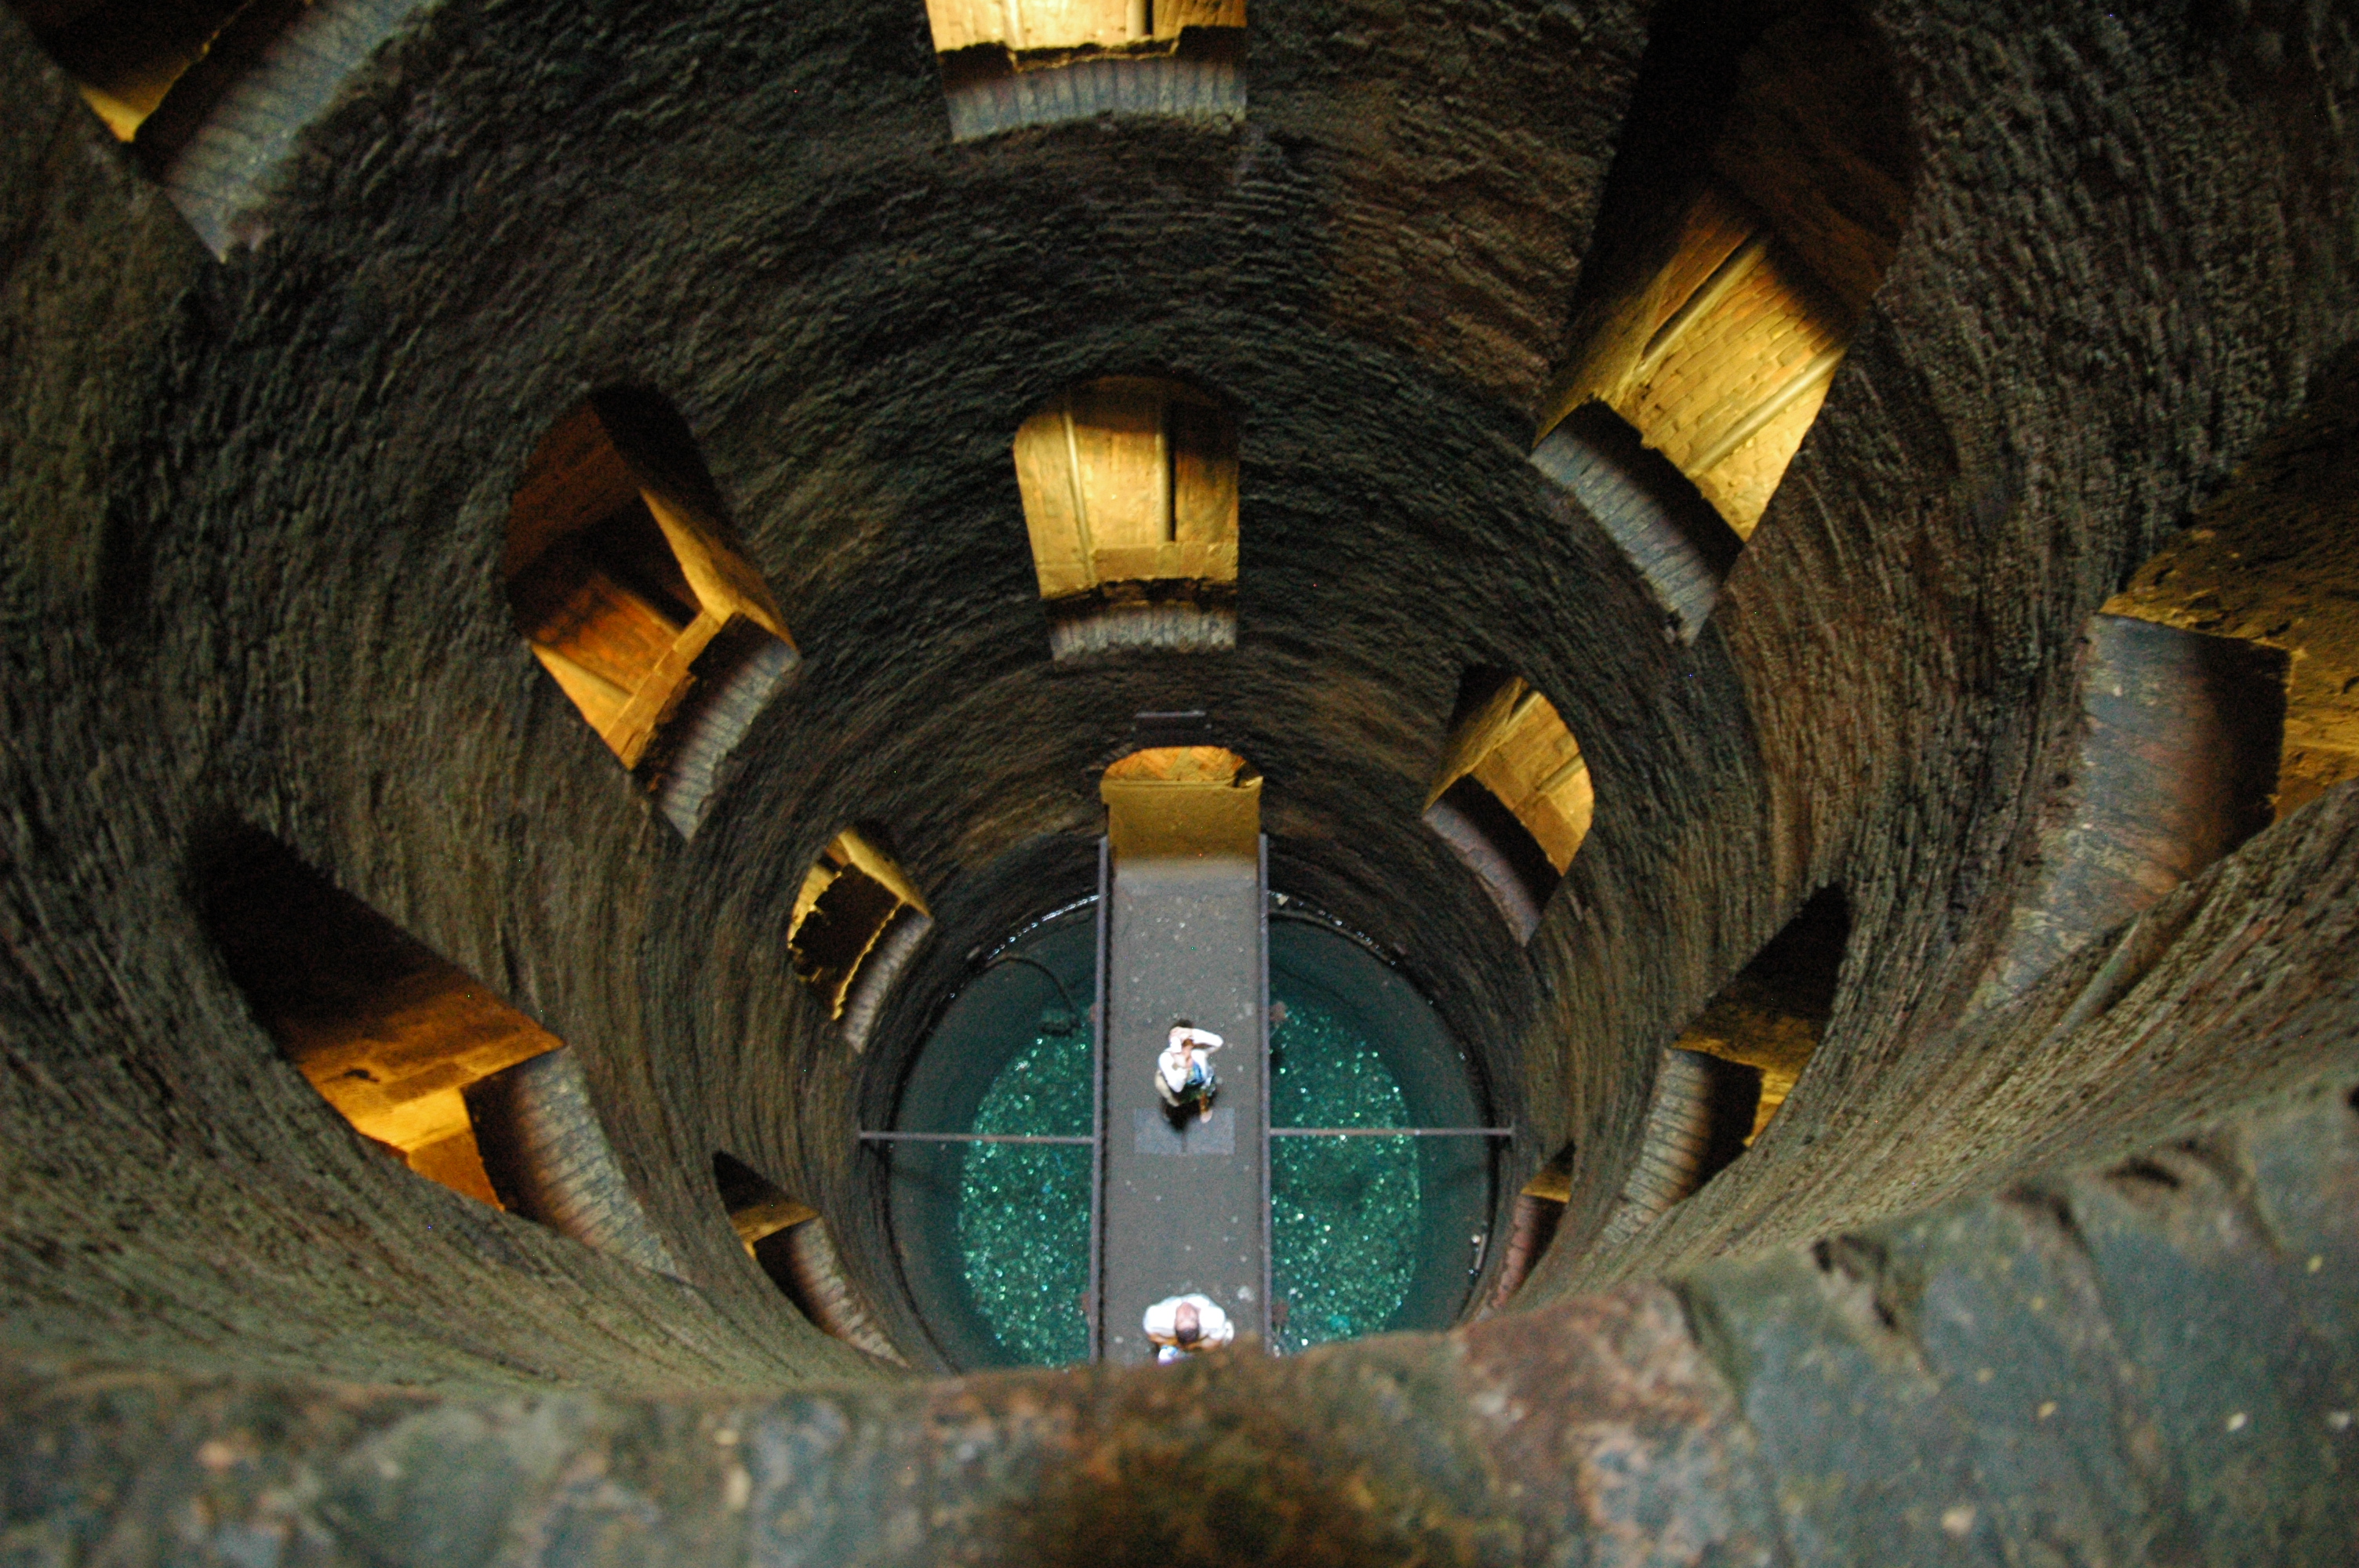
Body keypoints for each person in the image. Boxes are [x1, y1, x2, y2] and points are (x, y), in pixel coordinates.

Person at [1156, 1019, 1224, 1122]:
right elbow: (1177, 1087)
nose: (1183, 1050)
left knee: (1206, 1088)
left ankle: (1204, 1105)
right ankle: (1172, 1108)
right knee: (1172, 1098)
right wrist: (1182, 1068)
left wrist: (1191, 1032)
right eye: (1180, 1045)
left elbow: (1218, 1042)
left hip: (1199, 1082)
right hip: (1177, 1087)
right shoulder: (1166, 1059)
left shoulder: (1198, 1054)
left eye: (1185, 1044)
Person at [1143, 1293, 1234, 1363]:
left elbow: (1215, 1343)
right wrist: (1173, 1343)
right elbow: (1153, 1337)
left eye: (1182, 1320)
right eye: (1191, 1319)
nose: (1186, 1313)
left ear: (1175, 1321)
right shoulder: (1214, 1318)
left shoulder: (1156, 1318)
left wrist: (1194, 1346)